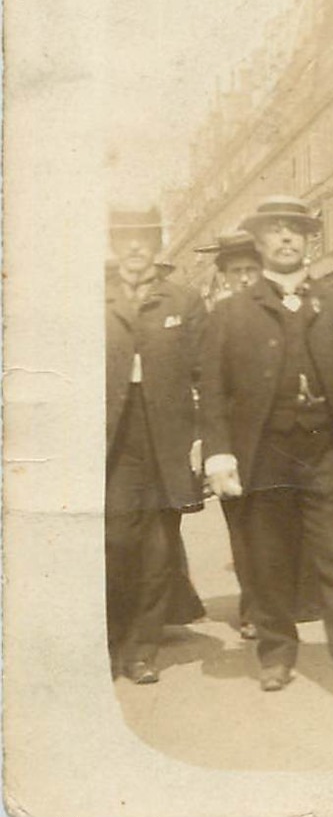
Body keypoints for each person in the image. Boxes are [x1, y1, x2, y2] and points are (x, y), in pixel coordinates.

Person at [199, 196, 333, 696]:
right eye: (275, 231)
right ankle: (277, 653)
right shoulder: (231, 313)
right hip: (265, 452)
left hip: (326, 450)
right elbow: (213, 391)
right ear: (259, 243)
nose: (286, 239)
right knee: (270, 560)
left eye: (295, 231)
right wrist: (219, 454)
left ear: (309, 241)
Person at [105, 206, 206, 684]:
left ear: (157, 244)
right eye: (125, 237)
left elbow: (206, 374)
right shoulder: (92, 300)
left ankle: (142, 649)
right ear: (113, 243)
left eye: (144, 238)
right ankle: (112, 640)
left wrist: (204, 438)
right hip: (114, 438)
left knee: (160, 549)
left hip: (168, 438)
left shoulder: (183, 302)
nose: (135, 247)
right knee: (116, 539)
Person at [194, 228, 266, 639]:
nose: (243, 277)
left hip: (276, 439)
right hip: (235, 441)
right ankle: (252, 605)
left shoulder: (277, 310)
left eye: (250, 269)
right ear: (223, 275)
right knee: (241, 527)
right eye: (235, 270)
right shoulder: (215, 317)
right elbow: (209, 387)